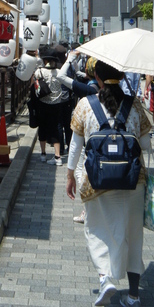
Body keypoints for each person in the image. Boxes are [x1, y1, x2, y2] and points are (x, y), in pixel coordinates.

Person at [66, 61, 151, 307]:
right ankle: (134, 299)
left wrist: (70, 175)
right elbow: (146, 145)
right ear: (122, 75)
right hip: (132, 181)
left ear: (97, 78)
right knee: (133, 236)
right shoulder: (134, 104)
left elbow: (75, 146)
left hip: (96, 182)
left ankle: (105, 280)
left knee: (98, 230)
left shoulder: (85, 105)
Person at [57, 53, 100, 224]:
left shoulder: (89, 90)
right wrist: (74, 64)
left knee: (84, 172)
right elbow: (78, 74)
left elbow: (61, 77)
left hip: (90, 138)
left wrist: (68, 59)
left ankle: (87, 211)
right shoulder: (93, 85)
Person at [33, 48, 64, 166]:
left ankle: (43, 154)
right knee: (55, 129)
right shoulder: (59, 72)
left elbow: (34, 84)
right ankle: (57, 156)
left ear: (45, 60)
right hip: (57, 104)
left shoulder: (39, 72)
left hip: (43, 103)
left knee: (43, 128)